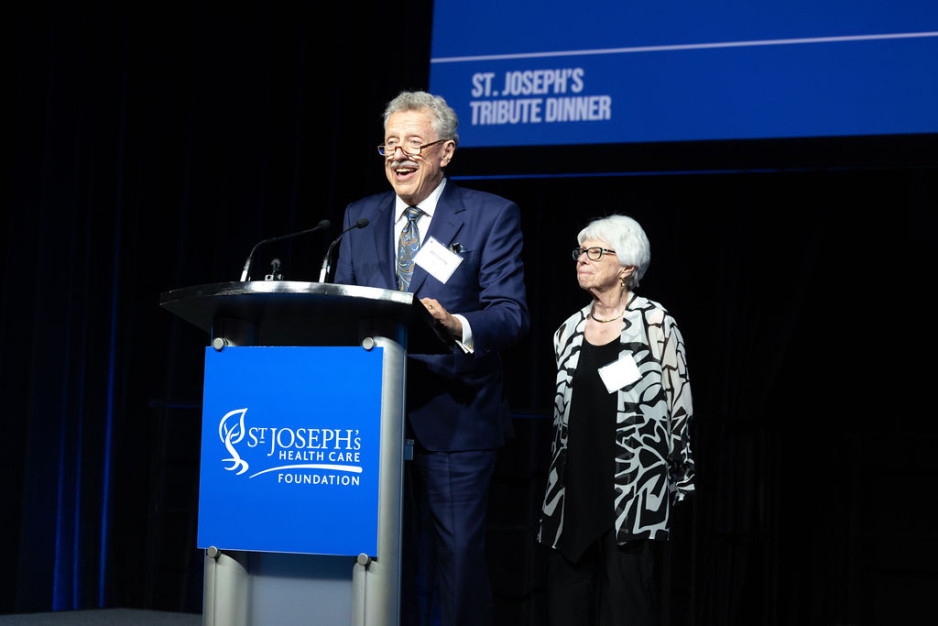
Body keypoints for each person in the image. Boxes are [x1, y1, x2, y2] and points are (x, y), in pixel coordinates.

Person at [334, 90, 529, 626]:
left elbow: (511, 314)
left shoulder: (490, 215)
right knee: (377, 556)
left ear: (445, 152)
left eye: (413, 143)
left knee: (458, 559)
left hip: (456, 415)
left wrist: (455, 323)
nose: (398, 154)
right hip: (371, 422)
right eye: (390, 144)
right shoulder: (360, 217)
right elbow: (340, 309)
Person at [537, 215, 694, 626]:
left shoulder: (657, 323)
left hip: (634, 489)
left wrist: (682, 477)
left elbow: (680, 403)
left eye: (594, 252)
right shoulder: (567, 330)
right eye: (580, 252)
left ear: (627, 266)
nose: (581, 260)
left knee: (627, 606)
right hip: (573, 489)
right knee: (566, 607)